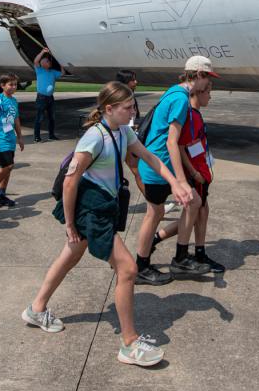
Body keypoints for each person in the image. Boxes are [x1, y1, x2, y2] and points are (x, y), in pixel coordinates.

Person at [22, 82, 176, 366]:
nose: (133, 112)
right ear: (110, 109)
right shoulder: (94, 138)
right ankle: (129, 344)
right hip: (90, 209)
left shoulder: (123, 131)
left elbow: (150, 157)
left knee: (71, 254)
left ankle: (36, 308)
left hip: (104, 205)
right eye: (128, 107)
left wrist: (176, 183)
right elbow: (70, 181)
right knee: (128, 269)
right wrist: (70, 223)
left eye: (133, 106)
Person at [133, 57, 209, 284]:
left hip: (159, 164)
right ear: (196, 75)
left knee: (192, 203)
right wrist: (181, 180)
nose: (207, 85)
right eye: (206, 77)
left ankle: (181, 258)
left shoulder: (175, 92)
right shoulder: (180, 99)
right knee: (155, 213)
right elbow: (172, 142)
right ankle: (141, 266)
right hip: (158, 166)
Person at [147, 74, 225, 272]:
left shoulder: (194, 114)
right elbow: (180, 145)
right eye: (209, 92)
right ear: (198, 92)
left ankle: (190, 250)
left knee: (200, 211)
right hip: (195, 173)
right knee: (197, 210)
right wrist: (190, 174)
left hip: (201, 171)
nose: (211, 96)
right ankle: (190, 253)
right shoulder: (188, 114)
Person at [0, 73, 24, 207]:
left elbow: (16, 120)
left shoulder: (13, 101)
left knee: (7, 168)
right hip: (0, 139)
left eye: (15, 84)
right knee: (8, 166)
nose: (13, 87)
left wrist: (20, 137)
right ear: (2, 86)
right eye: (10, 84)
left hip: (10, 139)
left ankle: (1, 193)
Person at [32, 47, 66, 142]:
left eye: (49, 61)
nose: (49, 62)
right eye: (47, 61)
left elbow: (62, 73)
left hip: (50, 98)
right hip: (41, 97)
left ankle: (51, 135)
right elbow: (35, 61)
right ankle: (37, 137)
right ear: (42, 64)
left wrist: (60, 63)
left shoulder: (53, 72)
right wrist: (42, 52)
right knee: (39, 118)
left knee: (52, 118)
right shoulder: (39, 70)